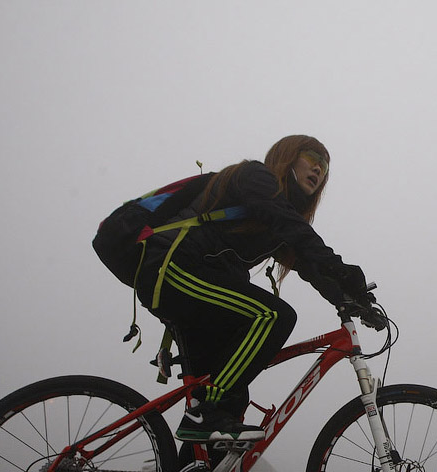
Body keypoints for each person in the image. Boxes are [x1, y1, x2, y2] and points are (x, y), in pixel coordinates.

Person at [119, 135, 376, 443]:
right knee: (272, 316)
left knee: (232, 398)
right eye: (312, 157)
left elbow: (310, 265)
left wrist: (353, 301)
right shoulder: (255, 178)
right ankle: (204, 412)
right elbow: (294, 230)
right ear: (288, 156)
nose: (319, 169)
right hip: (173, 268)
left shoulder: (278, 222)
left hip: (196, 282)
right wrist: (343, 270)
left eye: (325, 166)